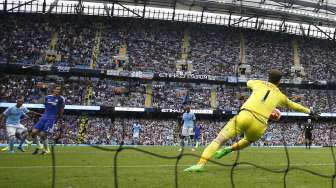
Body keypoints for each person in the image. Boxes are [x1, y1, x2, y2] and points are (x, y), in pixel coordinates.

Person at [184, 69, 319, 172]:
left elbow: (248, 82)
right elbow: (295, 105)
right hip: (260, 124)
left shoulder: (257, 83)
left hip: (245, 115)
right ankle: (229, 150)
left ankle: (200, 164)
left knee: (218, 140)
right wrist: (310, 111)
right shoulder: (280, 95)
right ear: (279, 81)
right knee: (248, 140)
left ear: (268, 77)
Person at [31, 85, 65, 155]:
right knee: (33, 132)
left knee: (43, 134)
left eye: (59, 90)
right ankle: (39, 146)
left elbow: (61, 109)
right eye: (57, 89)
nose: (58, 91)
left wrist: (59, 118)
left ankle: (47, 149)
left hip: (51, 118)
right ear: (54, 90)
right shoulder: (47, 97)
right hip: (44, 117)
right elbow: (43, 104)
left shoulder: (61, 98)